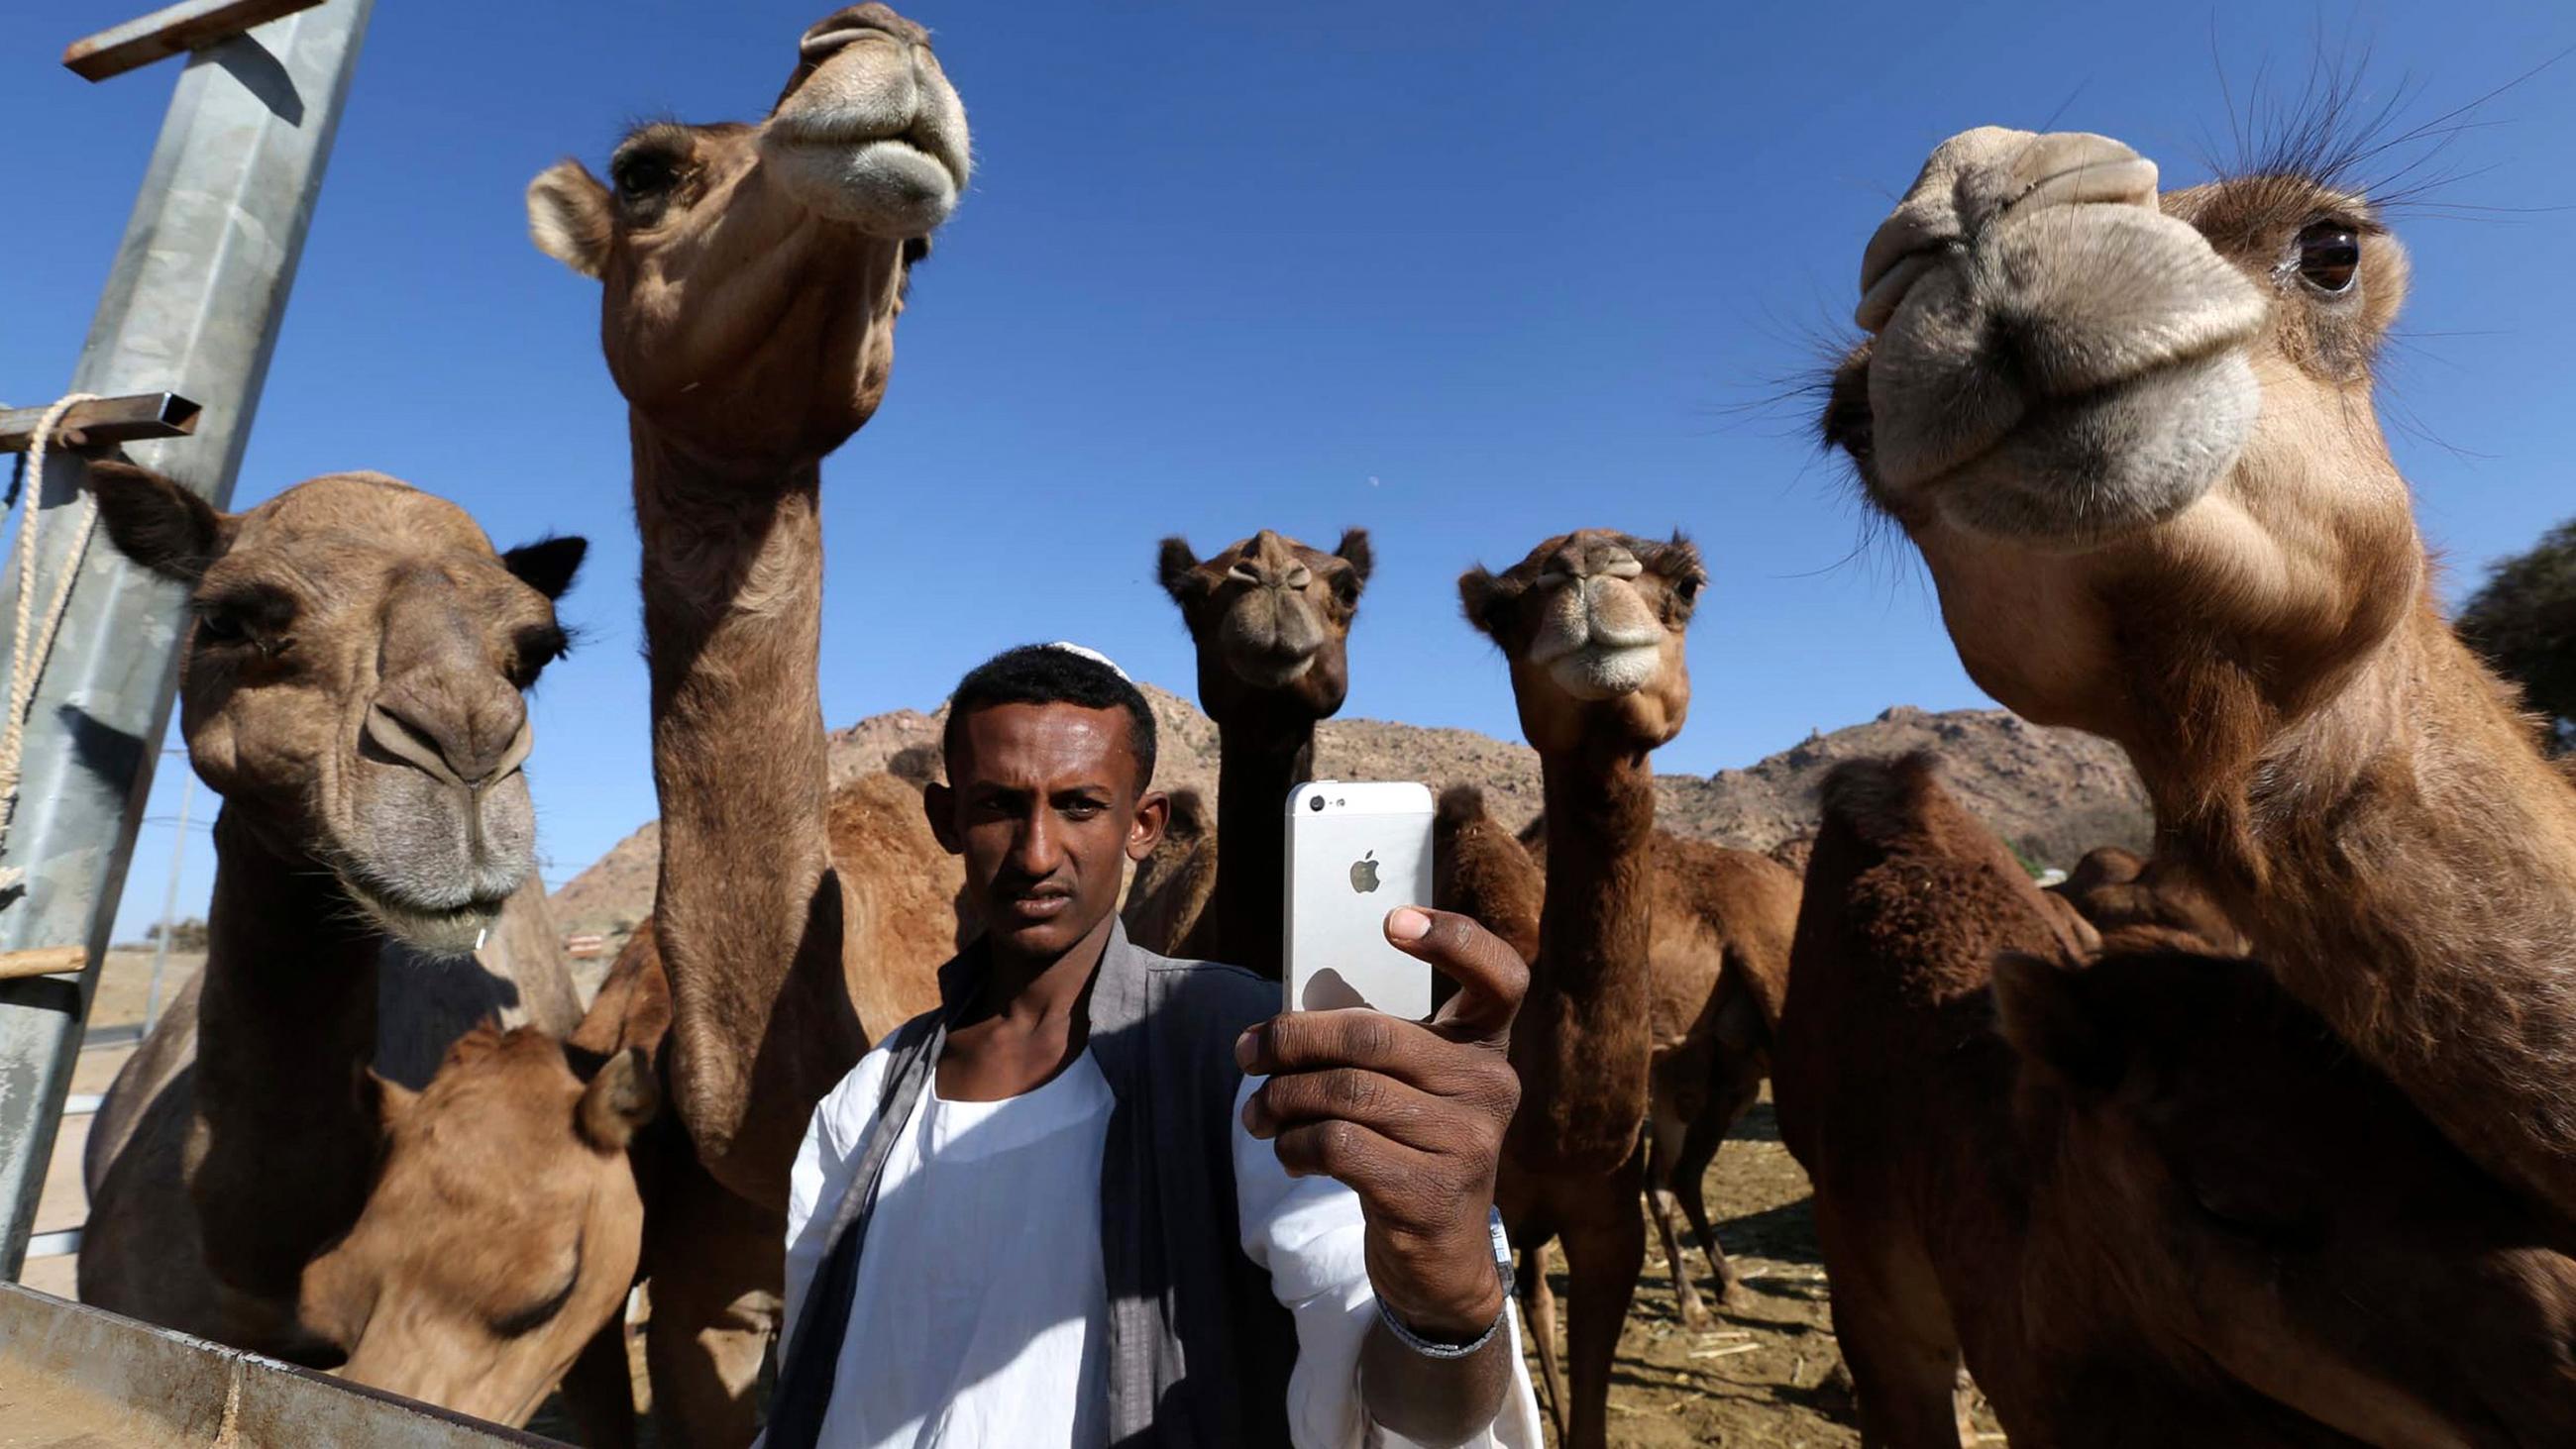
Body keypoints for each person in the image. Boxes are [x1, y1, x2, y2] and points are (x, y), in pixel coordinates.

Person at [769, 643, 1543, 1448]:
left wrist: (1447, 1296)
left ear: (1143, 826)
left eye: (1078, 805)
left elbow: (1410, 1410)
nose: (1036, 853)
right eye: (1000, 805)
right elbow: (811, 1376)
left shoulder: (1247, 1057)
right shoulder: (864, 1104)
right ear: (946, 818)